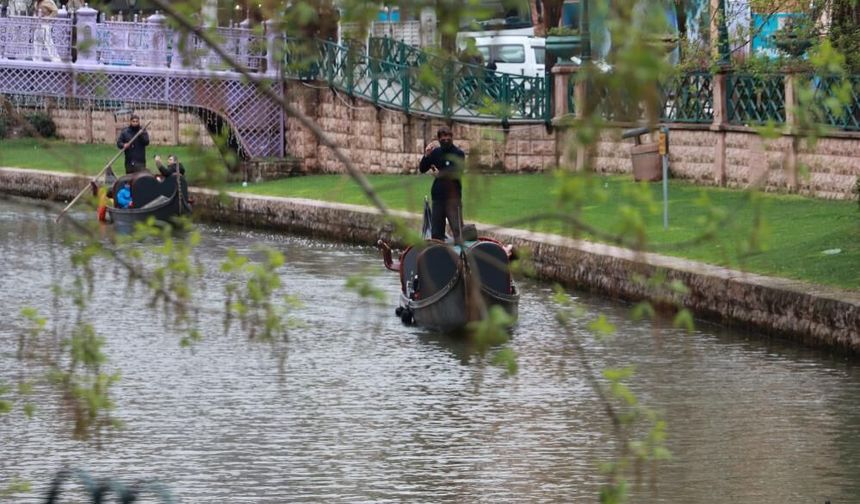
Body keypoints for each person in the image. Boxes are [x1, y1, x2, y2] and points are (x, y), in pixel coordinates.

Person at [418, 125, 465, 242]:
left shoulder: (458, 154)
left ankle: (461, 251)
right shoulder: (436, 152)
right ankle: (438, 251)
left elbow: (457, 172)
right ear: (439, 139)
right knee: (436, 234)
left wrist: (440, 174)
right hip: (438, 197)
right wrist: (426, 155)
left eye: (448, 136)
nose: (446, 139)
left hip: (453, 198)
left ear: (452, 137)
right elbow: (422, 169)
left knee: (458, 231)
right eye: (443, 137)